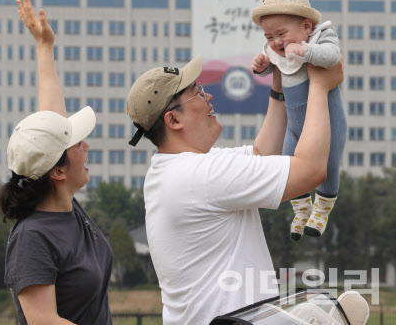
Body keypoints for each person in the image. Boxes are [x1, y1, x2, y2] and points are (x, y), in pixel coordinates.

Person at [126, 42, 343, 323]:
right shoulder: (200, 175)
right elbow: (311, 171)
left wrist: (279, 81)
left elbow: (261, 155)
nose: (209, 96)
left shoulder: (178, 170)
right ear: (173, 119)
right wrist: (319, 88)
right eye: (197, 93)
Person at [0, 0, 112, 325]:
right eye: (78, 143)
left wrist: (44, 46)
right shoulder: (33, 237)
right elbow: (43, 321)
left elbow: (51, 120)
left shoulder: (64, 207)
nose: (86, 145)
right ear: (58, 171)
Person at [251, 0, 346, 241]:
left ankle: (322, 210)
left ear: (306, 26)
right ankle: (301, 210)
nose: (276, 43)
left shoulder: (320, 37)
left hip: (328, 122)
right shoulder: (277, 49)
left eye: (281, 34)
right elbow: (274, 66)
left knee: (329, 165)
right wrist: (262, 66)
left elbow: (331, 57)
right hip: (295, 124)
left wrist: (306, 51)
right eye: (269, 37)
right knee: (287, 162)